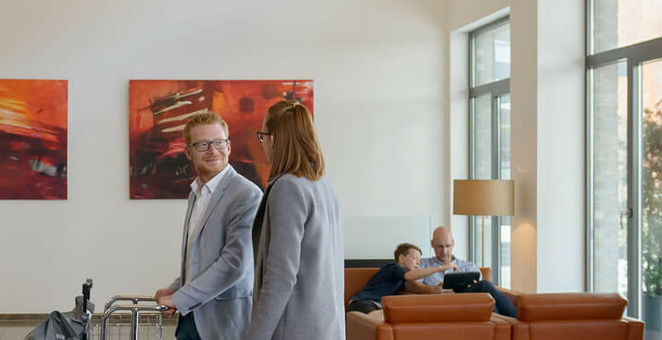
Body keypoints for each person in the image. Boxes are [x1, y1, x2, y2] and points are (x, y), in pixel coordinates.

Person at [152, 112, 261, 340]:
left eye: (218, 142)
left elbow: (235, 264)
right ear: (188, 153)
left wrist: (179, 298)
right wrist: (176, 288)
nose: (212, 150)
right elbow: (200, 260)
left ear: (229, 147)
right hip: (190, 319)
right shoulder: (196, 194)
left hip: (224, 326)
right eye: (203, 144)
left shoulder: (247, 194)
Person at [244, 100, 343, 340]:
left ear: (274, 139)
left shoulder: (287, 187)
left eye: (262, 137)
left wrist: (256, 336)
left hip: (295, 330)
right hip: (326, 328)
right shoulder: (322, 184)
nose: (262, 144)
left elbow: (281, 274)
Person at [405, 226, 517, 317]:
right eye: (439, 246)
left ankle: (508, 325)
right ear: (432, 244)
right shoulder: (422, 264)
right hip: (440, 302)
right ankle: (516, 318)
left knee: (489, 299)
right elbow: (410, 284)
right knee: (485, 285)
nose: (444, 251)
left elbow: (480, 290)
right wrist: (432, 290)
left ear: (453, 243)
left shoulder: (468, 266)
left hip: (465, 301)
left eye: (448, 246)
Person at [345, 243, 456, 314]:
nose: (418, 263)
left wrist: (435, 290)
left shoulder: (403, 279)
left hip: (377, 306)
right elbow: (409, 276)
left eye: (419, 260)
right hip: (362, 303)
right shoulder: (393, 268)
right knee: (387, 319)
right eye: (415, 259)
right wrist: (440, 268)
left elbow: (416, 286)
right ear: (402, 258)